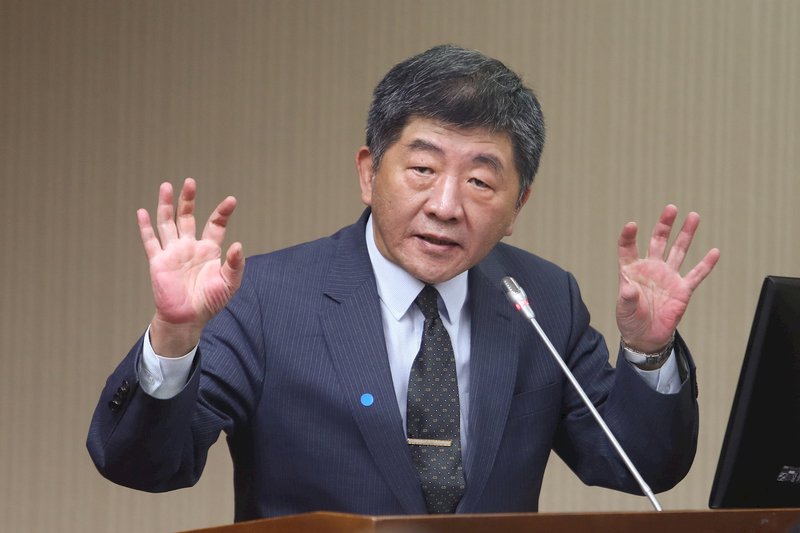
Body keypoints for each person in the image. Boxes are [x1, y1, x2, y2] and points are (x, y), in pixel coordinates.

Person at [87, 44, 720, 521]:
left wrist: (649, 351)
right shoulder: (266, 298)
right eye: (422, 169)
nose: (445, 205)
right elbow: (143, 465)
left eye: (480, 181)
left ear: (517, 205)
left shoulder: (542, 299)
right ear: (369, 173)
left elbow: (641, 465)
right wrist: (173, 336)